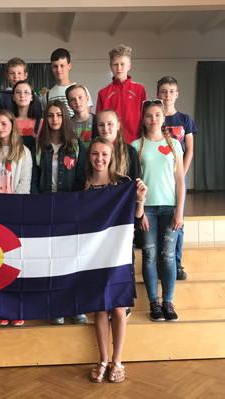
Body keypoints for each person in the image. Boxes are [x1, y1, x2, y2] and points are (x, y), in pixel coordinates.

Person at [80, 137, 146, 384]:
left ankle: (118, 361)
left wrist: (139, 198)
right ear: (89, 157)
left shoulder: (124, 184)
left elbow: (136, 221)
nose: (99, 158)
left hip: (118, 255)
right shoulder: (81, 187)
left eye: (104, 154)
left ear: (111, 157)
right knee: (99, 307)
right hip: (93, 257)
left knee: (118, 308)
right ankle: (103, 360)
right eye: (95, 154)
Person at [31, 99, 87, 325]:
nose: (55, 119)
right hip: (46, 206)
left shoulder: (76, 145)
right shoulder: (39, 145)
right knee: (52, 259)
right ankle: (57, 306)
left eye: (59, 115)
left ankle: (77, 306)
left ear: (65, 118)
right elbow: (34, 177)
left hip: (70, 207)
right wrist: (36, 204)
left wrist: (76, 205)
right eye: (51, 115)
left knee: (73, 258)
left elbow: (82, 177)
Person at [131, 99, 185, 322]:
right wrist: (140, 212)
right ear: (143, 119)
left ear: (164, 118)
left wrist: (180, 211)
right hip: (148, 209)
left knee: (169, 256)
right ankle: (154, 302)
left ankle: (168, 302)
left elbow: (180, 179)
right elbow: (134, 183)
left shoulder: (174, 145)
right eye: (148, 116)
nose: (153, 119)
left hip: (170, 208)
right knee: (150, 254)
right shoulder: (136, 146)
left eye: (157, 115)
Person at [0, 109, 32, 328]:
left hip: (16, 212)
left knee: (16, 263)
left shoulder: (24, 152)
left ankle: (17, 308)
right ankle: (1, 309)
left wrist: (12, 207)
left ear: (12, 125)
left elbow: (25, 183)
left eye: (4, 123)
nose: (0, 128)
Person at [96, 109, 139, 319]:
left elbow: (136, 185)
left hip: (122, 216)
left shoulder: (130, 152)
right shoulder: (93, 152)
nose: (106, 129)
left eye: (110, 124)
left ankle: (124, 299)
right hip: (99, 218)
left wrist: (140, 210)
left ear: (118, 125)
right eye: (101, 125)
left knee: (124, 256)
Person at [156, 76, 198, 280]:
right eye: (163, 91)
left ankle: (177, 263)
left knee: (177, 220)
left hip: (177, 178)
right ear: (157, 94)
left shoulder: (184, 119)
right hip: (158, 178)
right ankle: (159, 260)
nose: (167, 95)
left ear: (177, 94)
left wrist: (181, 174)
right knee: (159, 217)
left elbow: (189, 150)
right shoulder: (154, 117)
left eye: (171, 91)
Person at [96, 44, 146, 144]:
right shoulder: (103, 92)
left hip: (135, 142)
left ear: (129, 66)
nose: (119, 68)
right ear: (111, 67)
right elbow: (98, 121)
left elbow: (145, 117)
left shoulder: (139, 89)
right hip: (111, 144)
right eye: (115, 64)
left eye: (122, 64)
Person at [42, 48, 93, 117]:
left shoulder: (82, 90)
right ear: (51, 68)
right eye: (55, 66)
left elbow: (86, 120)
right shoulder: (47, 96)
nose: (58, 70)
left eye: (62, 65)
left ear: (69, 66)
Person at [12, 80, 43, 151]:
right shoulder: (8, 122)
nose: (22, 95)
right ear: (13, 97)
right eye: (18, 92)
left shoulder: (41, 123)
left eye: (26, 92)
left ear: (32, 97)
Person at [66, 84, 97, 149]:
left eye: (80, 97)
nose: (77, 102)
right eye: (73, 99)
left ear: (87, 99)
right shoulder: (66, 125)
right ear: (69, 104)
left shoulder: (98, 122)